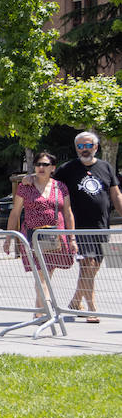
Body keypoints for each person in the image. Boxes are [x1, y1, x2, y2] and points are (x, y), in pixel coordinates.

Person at [54, 131, 122, 322]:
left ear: (96, 147)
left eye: (88, 145)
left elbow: (116, 195)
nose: (84, 150)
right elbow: (49, 185)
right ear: (76, 148)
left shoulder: (105, 167)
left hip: (101, 226)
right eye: (80, 146)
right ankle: (92, 308)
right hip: (78, 227)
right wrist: (32, 178)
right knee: (88, 264)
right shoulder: (67, 169)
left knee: (94, 266)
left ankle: (76, 301)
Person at [5, 150, 76, 317]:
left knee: (47, 273)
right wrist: (8, 237)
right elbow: (15, 213)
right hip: (32, 236)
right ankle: (43, 311)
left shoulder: (60, 187)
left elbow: (68, 212)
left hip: (55, 237)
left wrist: (72, 238)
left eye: (45, 164)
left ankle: (40, 311)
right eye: (38, 164)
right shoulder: (25, 186)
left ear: (53, 167)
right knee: (40, 274)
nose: (41, 167)